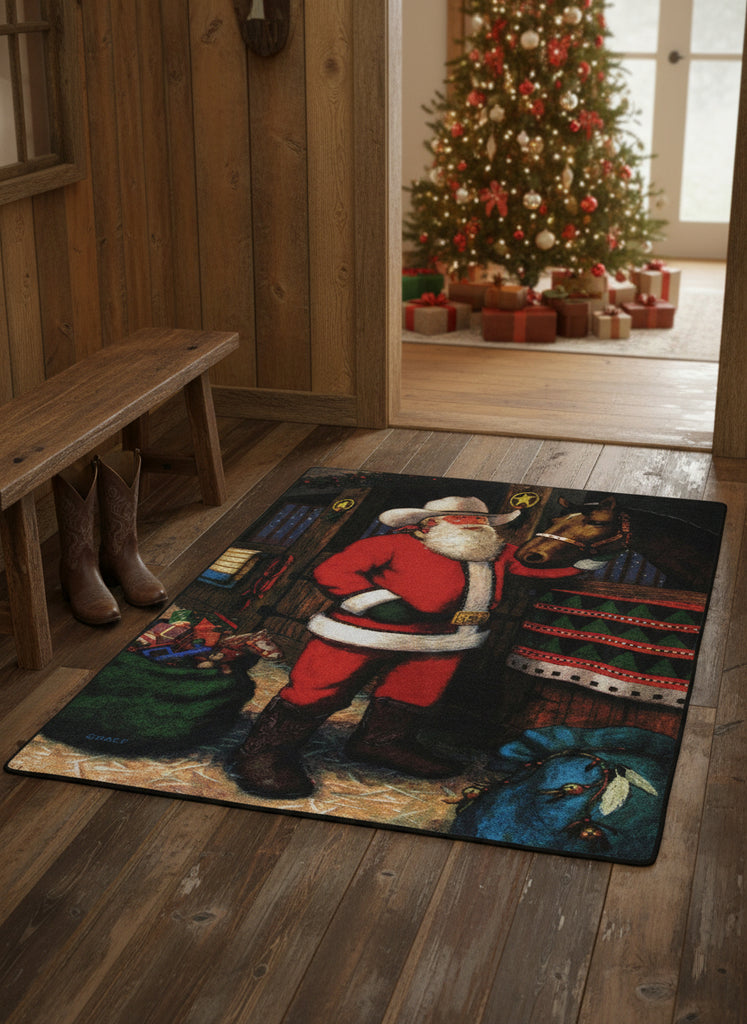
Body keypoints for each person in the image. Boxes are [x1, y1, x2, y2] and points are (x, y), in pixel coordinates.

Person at [234, 495, 583, 798]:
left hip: (444, 641)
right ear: (427, 524)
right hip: (360, 633)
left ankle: (381, 743)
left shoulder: (498, 552)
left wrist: (592, 557)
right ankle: (266, 753)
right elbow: (334, 570)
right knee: (318, 688)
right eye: (463, 519)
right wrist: (374, 601)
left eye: (480, 521)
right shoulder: (390, 544)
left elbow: (542, 571)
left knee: (414, 693)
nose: (474, 526)